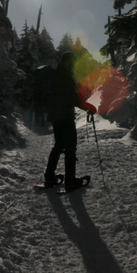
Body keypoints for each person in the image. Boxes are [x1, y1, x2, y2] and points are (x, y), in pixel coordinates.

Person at [42, 51, 95, 188]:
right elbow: (71, 97)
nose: (72, 64)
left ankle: (49, 177)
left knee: (59, 146)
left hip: (56, 116)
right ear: (65, 61)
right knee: (70, 146)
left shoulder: (57, 75)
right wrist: (88, 107)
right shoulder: (64, 76)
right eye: (70, 61)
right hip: (65, 116)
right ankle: (70, 180)